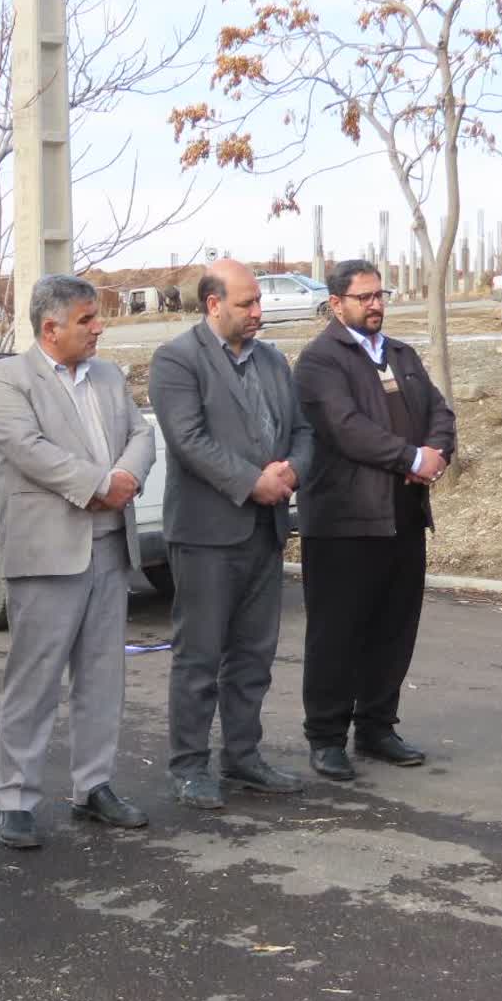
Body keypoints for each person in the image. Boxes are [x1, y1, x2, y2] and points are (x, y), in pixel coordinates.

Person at [0, 274, 156, 849]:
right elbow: (27, 451)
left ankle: (94, 786)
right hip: (49, 553)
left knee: (103, 676)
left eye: (96, 317)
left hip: (109, 546)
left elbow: (141, 433)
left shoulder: (107, 374)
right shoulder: (8, 378)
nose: (98, 327)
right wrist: (100, 485)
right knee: (34, 680)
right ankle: (15, 797)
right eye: (87, 319)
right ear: (50, 327)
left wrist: (126, 477)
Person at [149, 259, 314, 809]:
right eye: (246, 304)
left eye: (258, 302)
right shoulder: (177, 359)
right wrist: (253, 483)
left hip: (264, 531)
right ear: (213, 304)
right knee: (200, 656)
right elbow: (188, 440)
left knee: (253, 655)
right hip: (207, 534)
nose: (257, 313)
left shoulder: (271, 360)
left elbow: (302, 430)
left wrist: (291, 472)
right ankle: (189, 765)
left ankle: (243, 756)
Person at [294, 259, 455, 782]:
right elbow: (346, 429)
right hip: (345, 521)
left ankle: (377, 726)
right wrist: (411, 459)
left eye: (379, 295)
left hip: (403, 517)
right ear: (336, 303)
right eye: (363, 297)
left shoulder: (401, 355)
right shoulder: (320, 362)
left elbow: (439, 411)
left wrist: (435, 452)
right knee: (338, 631)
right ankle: (325, 736)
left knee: (394, 627)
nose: (376, 305)